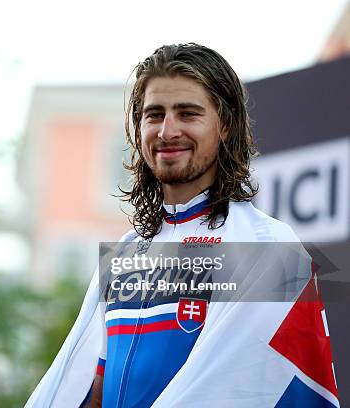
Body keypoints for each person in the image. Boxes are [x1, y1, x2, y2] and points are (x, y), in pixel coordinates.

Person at [26, 44, 339, 407]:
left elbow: (242, 392)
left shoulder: (265, 246)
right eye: (154, 115)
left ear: (225, 125)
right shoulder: (125, 252)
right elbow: (90, 388)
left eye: (187, 113)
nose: (167, 131)